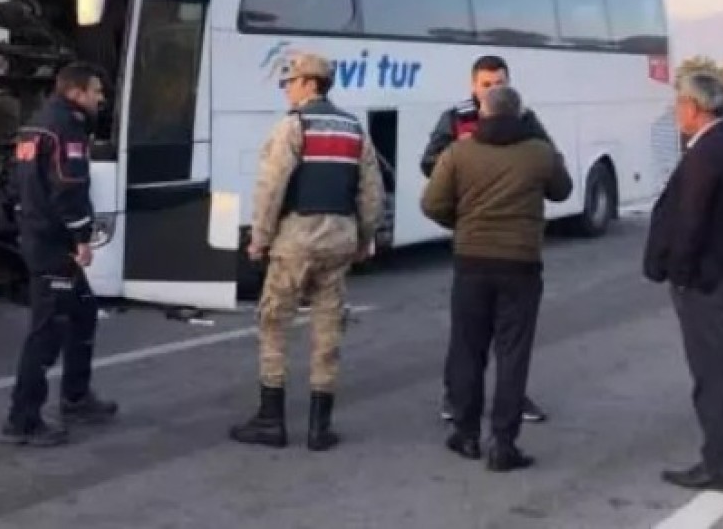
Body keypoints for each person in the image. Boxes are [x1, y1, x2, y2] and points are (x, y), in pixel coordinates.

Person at [230, 52, 384, 451]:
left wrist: (259, 238)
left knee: (274, 323)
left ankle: (271, 420)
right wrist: (365, 239)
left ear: (310, 84)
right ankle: (319, 428)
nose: (286, 87)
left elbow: (271, 186)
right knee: (328, 330)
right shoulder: (355, 130)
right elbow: (371, 193)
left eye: (291, 80)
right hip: (339, 240)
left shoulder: (292, 126)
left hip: (296, 240)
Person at [420, 85, 572, 470]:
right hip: (521, 265)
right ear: (520, 115)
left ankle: (466, 435)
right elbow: (562, 190)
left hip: (471, 261)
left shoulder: (459, 152)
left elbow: (431, 203)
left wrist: (463, 224)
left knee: (468, 350)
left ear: (482, 113)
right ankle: (504, 444)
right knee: (512, 355)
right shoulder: (538, 153)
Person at [644, 71, 723, 494]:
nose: (677, 114)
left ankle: (720, 465)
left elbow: (690, 222)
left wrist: (679, 275)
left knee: (713, 377)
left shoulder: (705, 154)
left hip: (710, 281)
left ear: (693, 108)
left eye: (678, 106)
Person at [0, 62, 119, 446]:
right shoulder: (66, 127)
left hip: (36, 234)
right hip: (52, 243)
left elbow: (13, 182)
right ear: (77, 92)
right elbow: (68, 187)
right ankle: (23, 419)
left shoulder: (35, 123)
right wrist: (81, 236)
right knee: (47, 331)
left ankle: (76, 397)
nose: (101, 99)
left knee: (83, 311)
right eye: (97, 91)